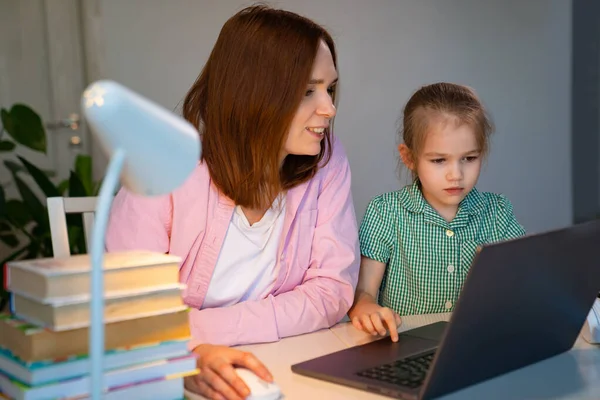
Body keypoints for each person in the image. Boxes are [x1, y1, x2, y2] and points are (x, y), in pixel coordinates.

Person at [105, 5, 360, 400]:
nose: (329, 108)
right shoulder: (161, 168)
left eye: (330, 88)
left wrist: (198, 330)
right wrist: (185, 356)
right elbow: (128, 314)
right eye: (309, 90)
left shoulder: (328, 158)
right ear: (255, 93)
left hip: (286, 361)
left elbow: (332, 291)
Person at [348, 82, 525, 342]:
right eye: (439, 160)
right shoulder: (385, 213)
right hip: (405, 344)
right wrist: (365, 308)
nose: (456, 174)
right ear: (409, 158)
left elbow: (524, 284)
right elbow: (364, 293)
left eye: (469, 158)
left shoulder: (497, 213)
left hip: (476, 342)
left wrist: (501, 275)